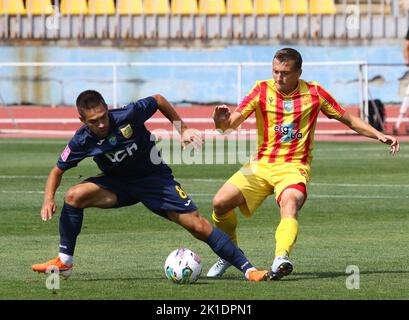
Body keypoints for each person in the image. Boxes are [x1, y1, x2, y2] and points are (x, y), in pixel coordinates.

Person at [31, 90, 271, 282]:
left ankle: (249, 270)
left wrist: (182, 129)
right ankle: (65, 262)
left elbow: (158, 100)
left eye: (104, 116)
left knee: (197, 225)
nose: (102, 124)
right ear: (82, 121)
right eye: (94, 121)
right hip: (118, 185)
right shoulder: (82, 140)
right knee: (74, 196)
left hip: (154, 180)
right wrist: (48, 198)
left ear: (107, 109)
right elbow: (57, 170)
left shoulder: (128, 115)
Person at [207, 48, 400, 280]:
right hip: (261, 164)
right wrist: (220, 122)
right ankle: (230, 254)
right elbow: (229, 125)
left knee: (290, 202)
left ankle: (281, 258)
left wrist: (378, 134)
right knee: (220, 203)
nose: (279, 77)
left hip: (293, 167)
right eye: (275, 71)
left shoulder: (315, 94)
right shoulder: (261, 90)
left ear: (299, 72)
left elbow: (347, 118)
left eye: (285, 73)